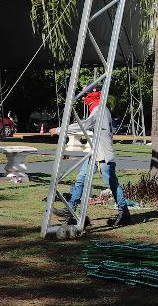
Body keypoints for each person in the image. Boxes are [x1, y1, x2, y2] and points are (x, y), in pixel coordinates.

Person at [62, 81, 130, 227]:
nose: (83, 98)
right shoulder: (98, 108)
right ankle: (71, 210)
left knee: (112, 184)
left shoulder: (100, 109)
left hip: (103, 155)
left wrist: (61, 129)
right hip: (95, 153)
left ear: (93, 93)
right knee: (80, 179)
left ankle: (124, 213)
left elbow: (85, 125)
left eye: (85, 94)